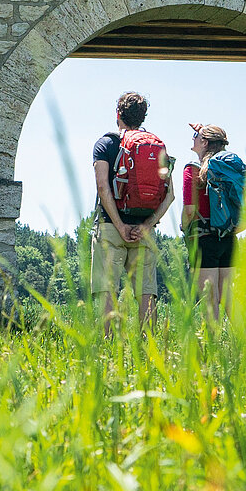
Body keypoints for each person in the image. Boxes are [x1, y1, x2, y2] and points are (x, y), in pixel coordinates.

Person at [91, 91, 174, 320]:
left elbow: (102, 187)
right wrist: (147, 226)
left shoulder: (105, 144)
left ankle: (108, 348)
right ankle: (149, 349)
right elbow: (170, 195)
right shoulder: (156, 147)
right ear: (143, 117)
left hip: (110, 226)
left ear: (118, 114)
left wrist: (118, 225)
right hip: (143, 229)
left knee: (107, 289)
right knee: (147, 292)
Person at [184, 123, 246, 315]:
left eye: (196, 135)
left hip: (204, 238)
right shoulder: (230, 168)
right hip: (228, 238)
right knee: (228, 297)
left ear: (204, 142)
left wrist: (185, 228)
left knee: (209, 299)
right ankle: (243, 342)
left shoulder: (192, 169)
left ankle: (213, 345)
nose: (193, 138)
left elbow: (189, 210)